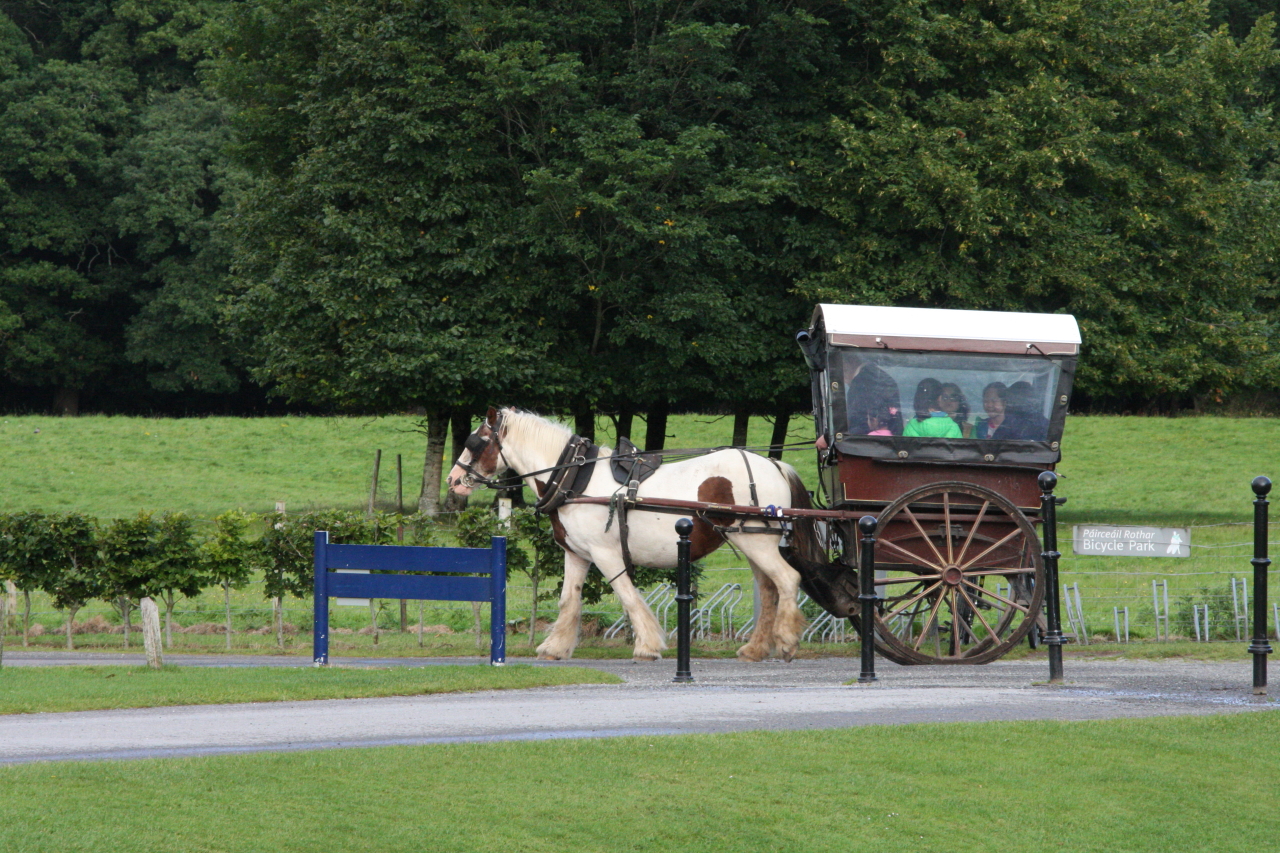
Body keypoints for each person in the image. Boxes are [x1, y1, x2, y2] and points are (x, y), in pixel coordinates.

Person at [844, 353, 901, 436]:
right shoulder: (883, 377)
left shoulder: (860, 382)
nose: (844, 379)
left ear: (852, 361)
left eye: (844, 371)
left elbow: (856, 419)